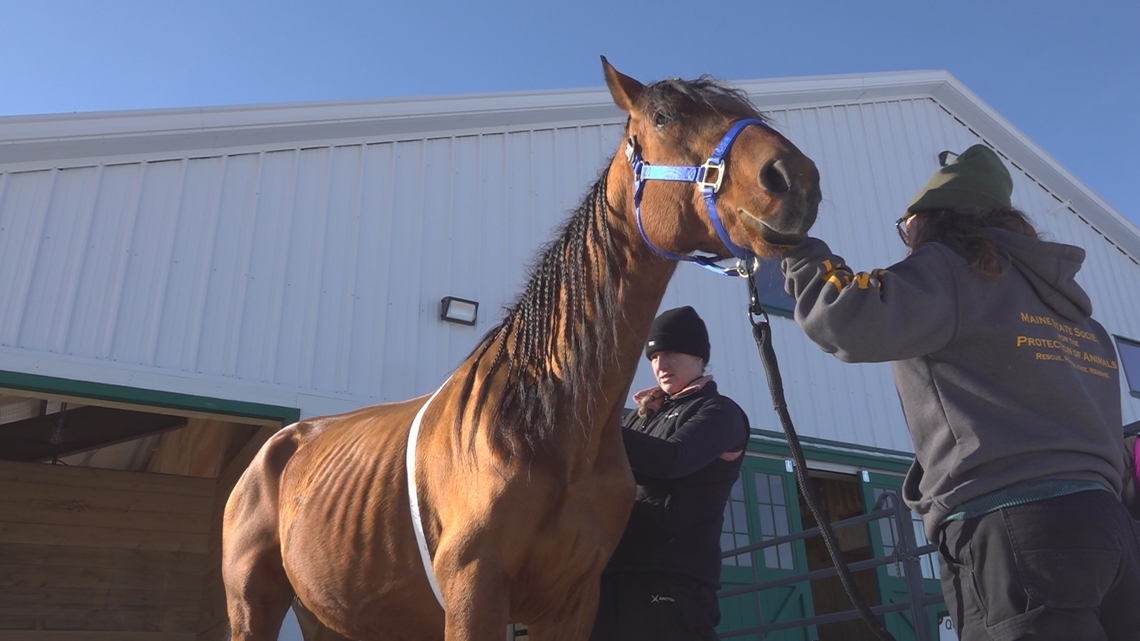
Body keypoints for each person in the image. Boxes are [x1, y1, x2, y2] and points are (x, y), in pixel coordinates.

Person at [779, 144, 1140, 640]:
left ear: (929, 223)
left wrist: (797, 251)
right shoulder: (1081, 319)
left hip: (1015, 528)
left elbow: (848, 317)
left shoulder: (948, 269)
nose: (906, 241)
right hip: (1112, 532)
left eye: (906, 228)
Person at [591, 305, 750, 641]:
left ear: (697, 357)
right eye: (653, 357)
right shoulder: (639, 416)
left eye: (670, 353)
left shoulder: (720, 412)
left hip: (673, 573)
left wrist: (598, 425)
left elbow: (672, 460)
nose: (660, 365)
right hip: (615, 568)